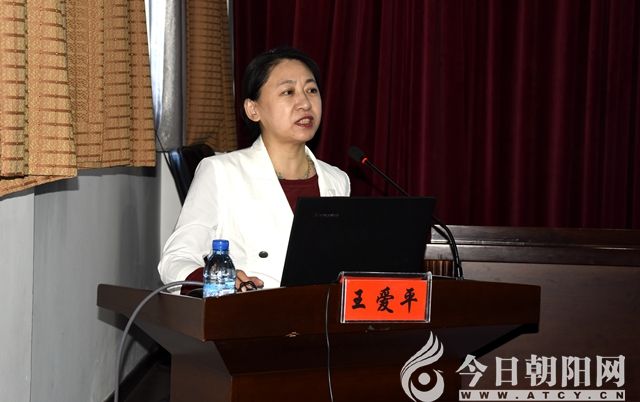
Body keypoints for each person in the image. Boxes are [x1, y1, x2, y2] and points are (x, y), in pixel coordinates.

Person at [158, 47, 351, 292]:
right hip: (250, 311)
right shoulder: (221, 172)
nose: (305, 103)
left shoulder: (337, 179)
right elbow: (175, 259)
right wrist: (218, 280)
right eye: (288, 92)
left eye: (311, 90)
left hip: (319, 314)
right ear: (253, 109)